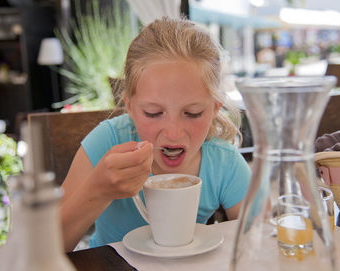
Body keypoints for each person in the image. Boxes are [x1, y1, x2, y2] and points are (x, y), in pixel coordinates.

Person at [60, 17, 251, 252]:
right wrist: (98, 190)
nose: (172, 133)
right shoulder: (107, 143)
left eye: (192, 113)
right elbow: (43, 251)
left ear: (214, 109)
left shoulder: (223, 161)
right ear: (129, 106)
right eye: (153, 113)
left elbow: (263, 237)